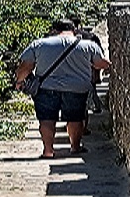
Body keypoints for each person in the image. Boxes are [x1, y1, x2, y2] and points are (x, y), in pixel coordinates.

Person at [15, 19, 111, 158]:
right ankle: (75, 147)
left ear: (54, 30)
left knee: (46, 119)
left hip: (46, 87)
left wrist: (19, 81)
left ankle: (48, 150)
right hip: (77, 88)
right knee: (75, 118)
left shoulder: (39, 44)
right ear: (74, 31)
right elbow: (101, 64)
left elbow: (26, 66)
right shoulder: (88, 45)